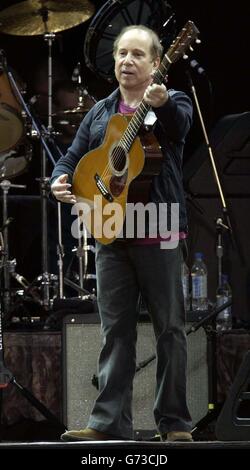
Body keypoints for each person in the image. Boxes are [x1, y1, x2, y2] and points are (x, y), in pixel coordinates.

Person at [51, 25, 193, 442]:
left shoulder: (170, 101)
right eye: (121, 54)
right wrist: (59, 180)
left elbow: (180, 126)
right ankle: (109, 423)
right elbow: (73, 157)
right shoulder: (99, 112)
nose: (127, 61)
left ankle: (175, 424)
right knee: (115, 332)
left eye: (137, 55)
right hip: (111, 234)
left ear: (155, 63)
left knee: (170, 329)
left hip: (159, 231)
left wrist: (164, 104)